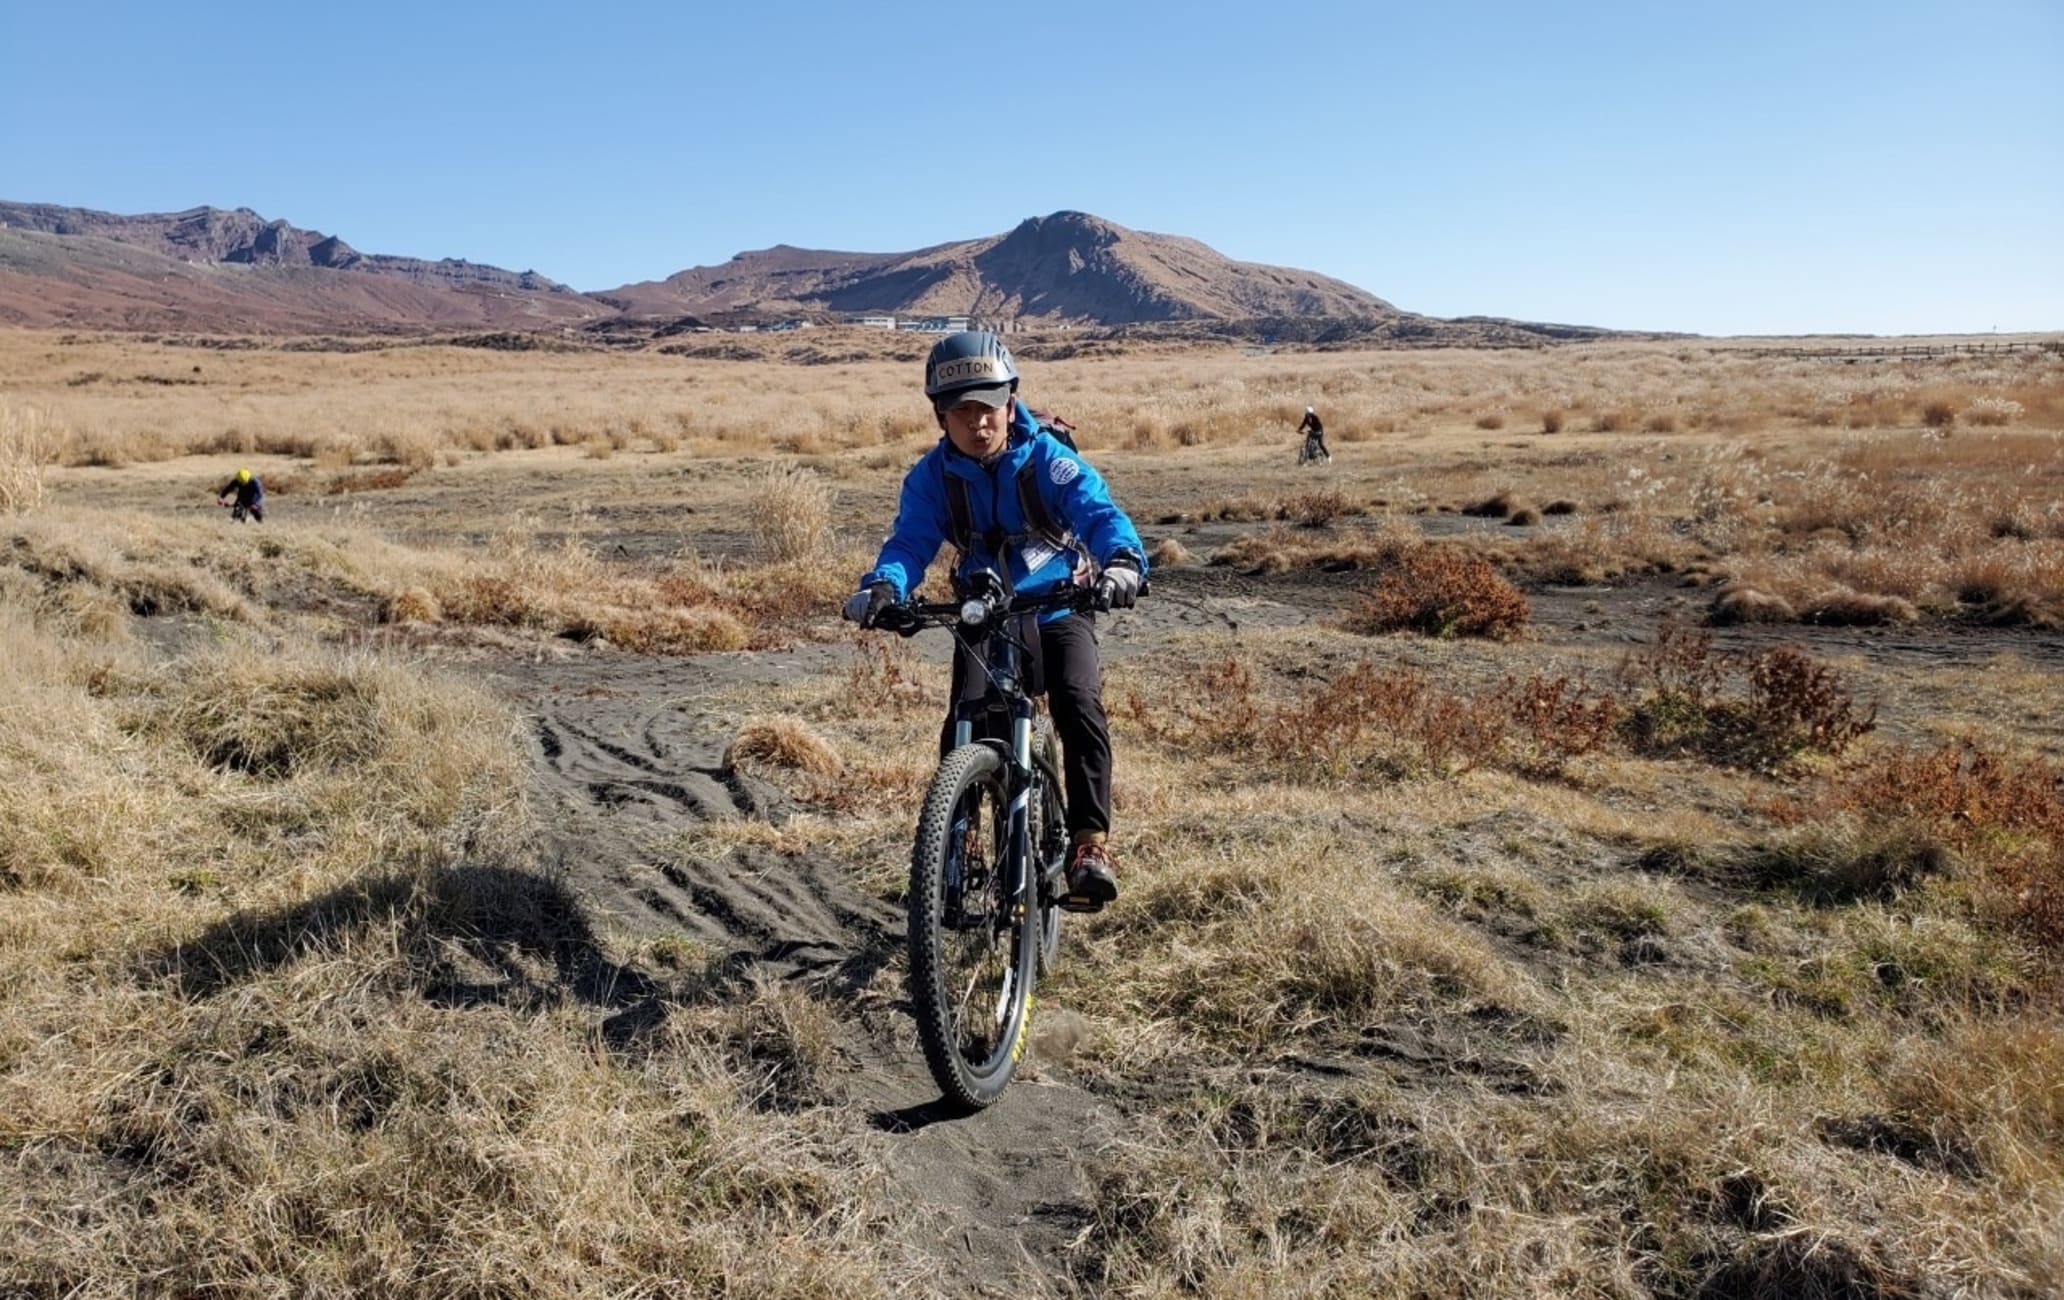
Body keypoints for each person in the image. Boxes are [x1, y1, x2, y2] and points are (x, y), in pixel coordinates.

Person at [843, 330, 1146, 911]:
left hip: (1059, 604)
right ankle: (955, 846)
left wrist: (1123, 562)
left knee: (1079, 704)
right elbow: (909, 543)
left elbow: (1099, 513)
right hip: (983, 610)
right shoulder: (932, 478)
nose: (978, 424)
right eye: (963, 412)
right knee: (964, 719)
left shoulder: (1049, 464)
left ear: (1011, 404)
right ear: (941, 416)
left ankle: (1089, 846)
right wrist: (885, 586)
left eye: (989, 408)